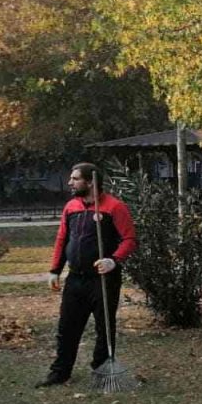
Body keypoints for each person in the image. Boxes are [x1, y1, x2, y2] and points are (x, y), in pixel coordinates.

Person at [37, 163, 138, 387]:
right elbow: (62, 239)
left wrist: (114, 260)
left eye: (75, 179)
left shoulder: (115, 207)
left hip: (103, 279)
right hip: (75, 279)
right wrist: (55, 270)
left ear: (90, 182)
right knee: (67, 327)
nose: (70, 183)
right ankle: (60, 372)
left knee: (104, 328)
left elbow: (130, 239)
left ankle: (101, 370)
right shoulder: (71, 207)